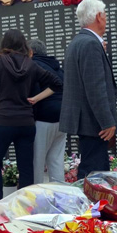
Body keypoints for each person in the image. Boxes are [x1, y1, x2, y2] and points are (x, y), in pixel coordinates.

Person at [0, 30, 63, 206]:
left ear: (4, 44)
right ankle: (27, 206)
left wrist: (2, 107)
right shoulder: (31, 65)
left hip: (4, 121)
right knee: (26, 166)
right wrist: (36, 98)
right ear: (23, 45)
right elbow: (57, 84)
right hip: (26, 122)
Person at [59, 0, 117, 179]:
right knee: (95, 175)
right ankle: (91, 208)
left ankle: (89, 206)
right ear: (99, 16)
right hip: (94, 123)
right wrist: (107, 121)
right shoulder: (91, 44)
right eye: (105, 15)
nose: (106, 19)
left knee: (91, 170)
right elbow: (95, 88)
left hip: (85, 120)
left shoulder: (80, 41)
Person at [28, 39, 67, 184]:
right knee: (56, 160)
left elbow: (33, 91)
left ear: (31, 52)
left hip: (43, 118)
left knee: (37, 162)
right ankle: (60, 195)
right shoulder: (57, 67)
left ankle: (36, 198)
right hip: (62, 118)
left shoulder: (33, 66)